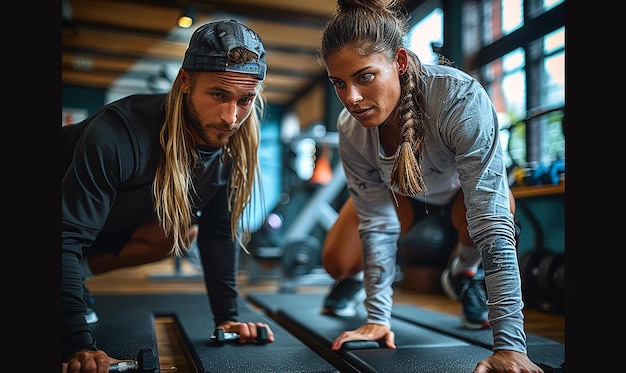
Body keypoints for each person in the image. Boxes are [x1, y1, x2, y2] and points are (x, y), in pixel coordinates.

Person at [317, 1, 543, 372]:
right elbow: (376, 223)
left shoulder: (458, 97)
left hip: (458, 195)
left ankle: (466, 273)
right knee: (337, 262)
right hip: (403, 194)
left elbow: (491, 216)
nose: (351, 98)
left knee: (500, 210)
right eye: (339, 83)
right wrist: (378, 318)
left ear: (400, 62)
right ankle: (362, 283)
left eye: (365, 76)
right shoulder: (349, 128)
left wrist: (511, 346)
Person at [62, 19, 276, 372]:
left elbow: (218, 233)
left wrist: (228, 318)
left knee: (177, 231)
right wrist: (77, 345)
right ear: (185, 82)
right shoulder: (118, 134)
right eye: (218, 95)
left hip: (97, 230)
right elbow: (65, 235)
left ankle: (73, 280)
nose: (231, 117)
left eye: (245, 100)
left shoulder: (231, 146)